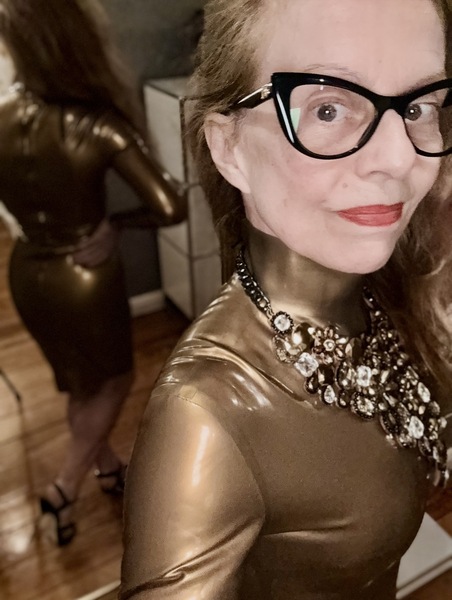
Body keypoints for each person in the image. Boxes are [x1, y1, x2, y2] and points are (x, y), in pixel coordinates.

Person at [120, 0, 452, 598]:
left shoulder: (385, 297)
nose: (400, 158)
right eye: (327, 109)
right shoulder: (207, 418)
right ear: (229, 148)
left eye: (417, 107)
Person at [0, 0, 186, 547]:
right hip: (86, 274)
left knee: (81, 384)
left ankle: (106, 466)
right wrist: (116, 225)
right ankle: (64, 488)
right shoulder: (97, 125)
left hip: (26, 271)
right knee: (116, 380)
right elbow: (171, 205)